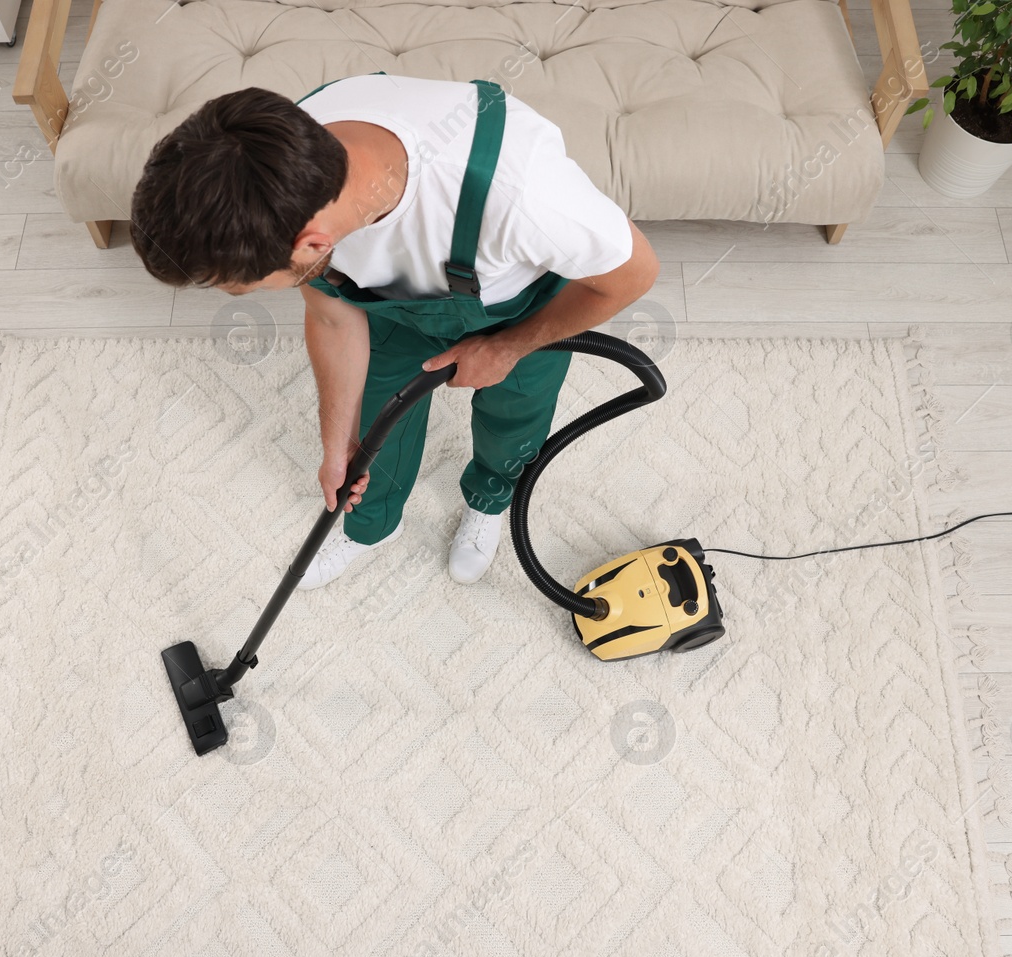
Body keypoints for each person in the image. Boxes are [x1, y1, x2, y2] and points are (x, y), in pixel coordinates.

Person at [129, 73, 658, 588]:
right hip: (389, 308)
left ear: (312, 243)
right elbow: (334, 314)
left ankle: (489, 502)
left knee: (513, 424)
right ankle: (371, 527)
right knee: (374, 428)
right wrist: (336, 444)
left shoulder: (520, 191)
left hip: (517, 314)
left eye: (247, 287)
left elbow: (634, 274)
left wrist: (507, 348)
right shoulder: (279, 170)